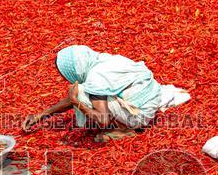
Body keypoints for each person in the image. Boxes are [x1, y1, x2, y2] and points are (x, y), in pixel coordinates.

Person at [21, 45, 163, 142]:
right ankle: (126, 122)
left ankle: (123, 130)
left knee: (82, 91)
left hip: (139, 115)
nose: (66, 79)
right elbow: (71, 98)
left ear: (74, 70)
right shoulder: (104, 60)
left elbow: (103, 119)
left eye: (66, 74)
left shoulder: (96, 78)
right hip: (152, 100)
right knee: (83, 91)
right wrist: (41, 115)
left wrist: (77, 103)